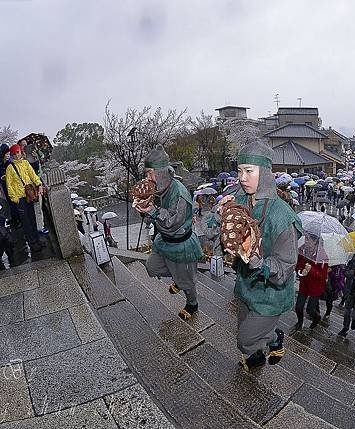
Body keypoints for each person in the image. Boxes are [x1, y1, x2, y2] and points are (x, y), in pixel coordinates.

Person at [219, 140, 302, 372]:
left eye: (249, 171)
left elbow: (286, 266)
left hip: (270, 293)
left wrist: (257, 261)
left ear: (264, 173)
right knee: (244, 329)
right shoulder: (240, 200)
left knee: (244, 340)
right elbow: (217, 233)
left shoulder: (282, 217)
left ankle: (274, 337)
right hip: (246, 285)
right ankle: (260, 355)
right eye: (239, 171)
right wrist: (221, 219)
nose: (242, 178)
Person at [136, 145, 203, 321]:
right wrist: (145, 209)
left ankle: (192, 304)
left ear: (161, 172)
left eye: (150, 173)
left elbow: (172, 223)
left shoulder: (179, 194)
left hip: (181, 243)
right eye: (146, 174)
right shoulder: (160, 188)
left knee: (187, 282)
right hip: (164, 241)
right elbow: (156, 217)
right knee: (152, 267)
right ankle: (178, 279)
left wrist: (152, 211)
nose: (147, 178)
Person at [5, 144, 44, 253]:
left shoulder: (26, 163)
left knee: (32, 218)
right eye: (14, 153)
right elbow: (9, 185)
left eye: (18, 152)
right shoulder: (10, 167)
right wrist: (14, 198)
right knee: (26, 222)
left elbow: (33, 175)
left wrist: (39, 184)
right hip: (20, 198)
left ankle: (37, 240)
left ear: (20, 152)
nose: (16, 155)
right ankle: (32, 243)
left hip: (29, 195)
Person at [293, 248, 328, 331]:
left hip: (316, 287)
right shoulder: (303, 251)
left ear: (315, 241)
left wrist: (311, 269)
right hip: (304, 285)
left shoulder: (323, 256)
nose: (306, 241)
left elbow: (322, 275)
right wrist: (301, 271)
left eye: (309, 239)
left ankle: (317, 318)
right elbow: (297, 265)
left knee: (310, 310)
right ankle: (300, 322)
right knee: (298, 307)